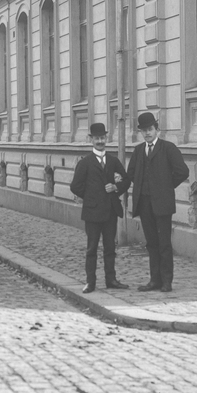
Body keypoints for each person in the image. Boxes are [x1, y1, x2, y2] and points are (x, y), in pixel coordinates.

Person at [126, 112, 190, 293]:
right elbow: (131, 173)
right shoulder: (139, 151)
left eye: (150, 129)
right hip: (144, 203)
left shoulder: (168, 148)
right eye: (143, 130)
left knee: (164, 243)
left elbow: (182, 171)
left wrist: (166, 187)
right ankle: (154, 280)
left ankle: (167, 281)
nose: (147, 133)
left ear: (156, 129)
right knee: (151, 243)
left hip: (162, 203)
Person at [69, 123, 131, 293]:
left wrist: (116, 187)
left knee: (110, 248)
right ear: (91, 140)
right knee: (92, 248)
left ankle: (111, 280)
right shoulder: (85, 163)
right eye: (97, 138)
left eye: (102, 138)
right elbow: (75, 186)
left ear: (106, 138)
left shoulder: (113, 161)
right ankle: (90, 282)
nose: (100, 141)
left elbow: (126, 180)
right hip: (92, 212)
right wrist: (91, 196)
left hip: (110, 211)